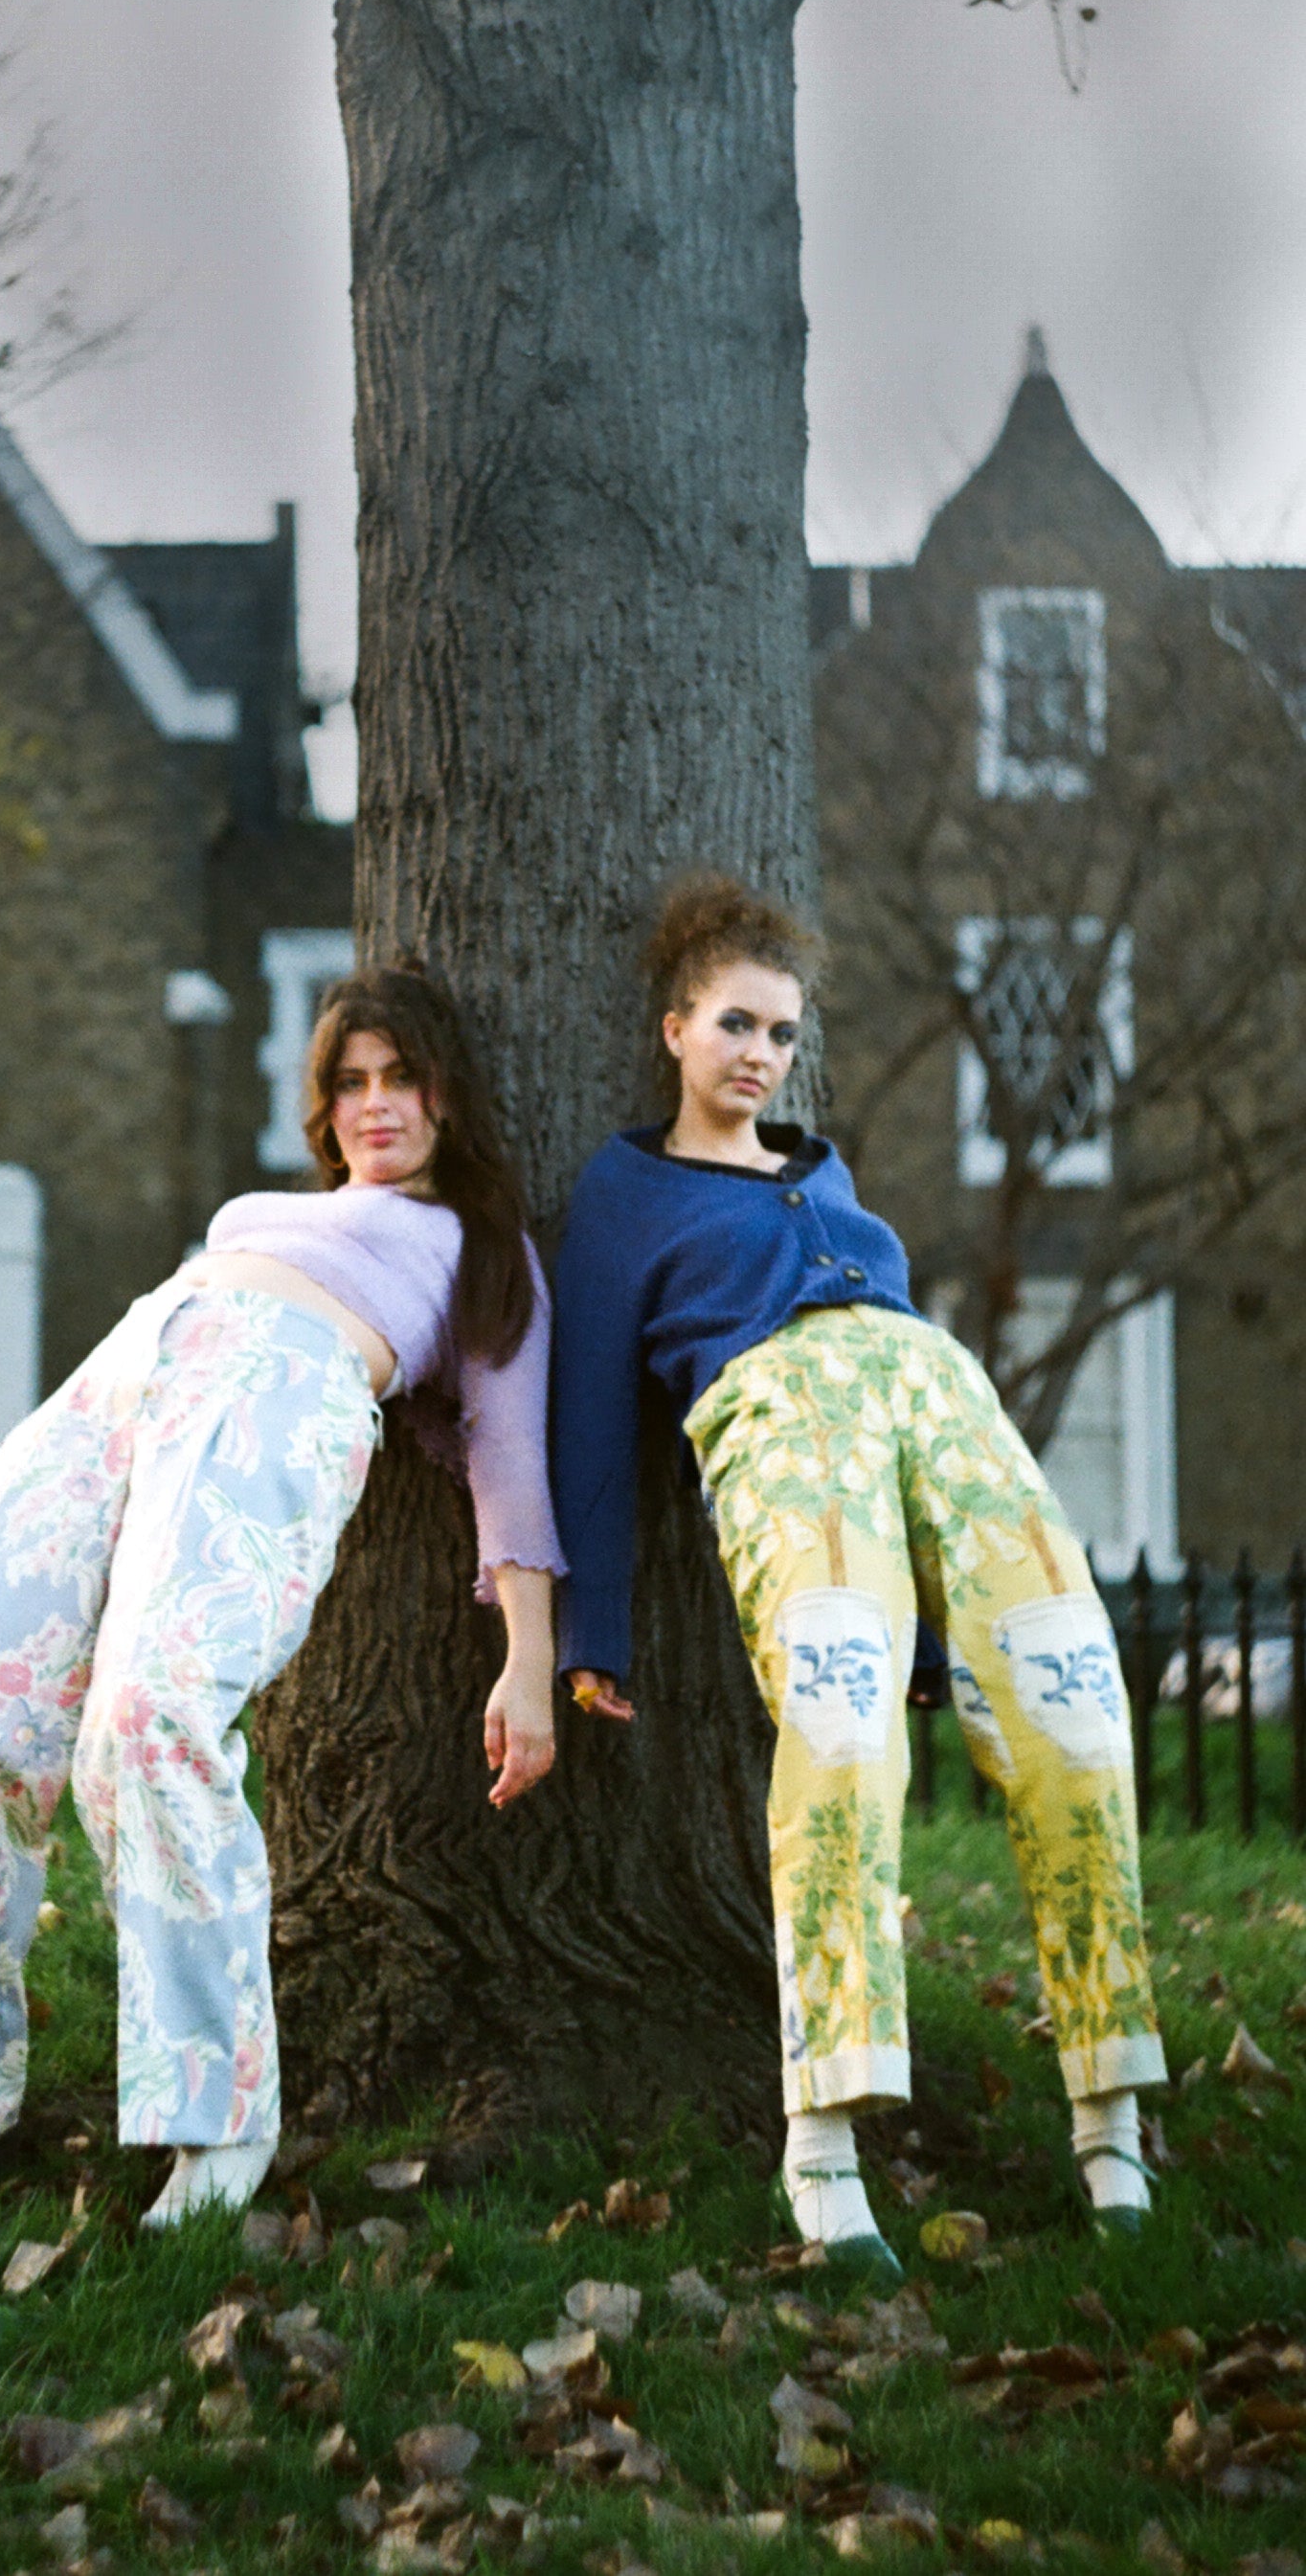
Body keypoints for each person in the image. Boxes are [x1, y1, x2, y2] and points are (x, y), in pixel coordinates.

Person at [0, 965, 566, 2222]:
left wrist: (530, 1659)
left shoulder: (484, 1250)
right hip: (145, 1353)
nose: (375, 1105)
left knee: (150, 1717)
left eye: (401, 1077)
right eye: (350, 1082)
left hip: (282, 1398)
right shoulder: (282, 1213)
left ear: (448, 1093)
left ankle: (216, 2114)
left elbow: (512, 1460)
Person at [549, 873, 1163, 2276]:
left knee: (1078, 1706)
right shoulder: (623, 1190)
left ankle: (1111, 2109)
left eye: (779, 1031)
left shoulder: (823, 1172)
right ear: (676, 1029)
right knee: (839, 1741)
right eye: (734, 1023)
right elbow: (587, 1414)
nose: (758, 1052)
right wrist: (596, 1623)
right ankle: (821, 2133)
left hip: (941, 1401)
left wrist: (941, 1633)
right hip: (780, 1420)